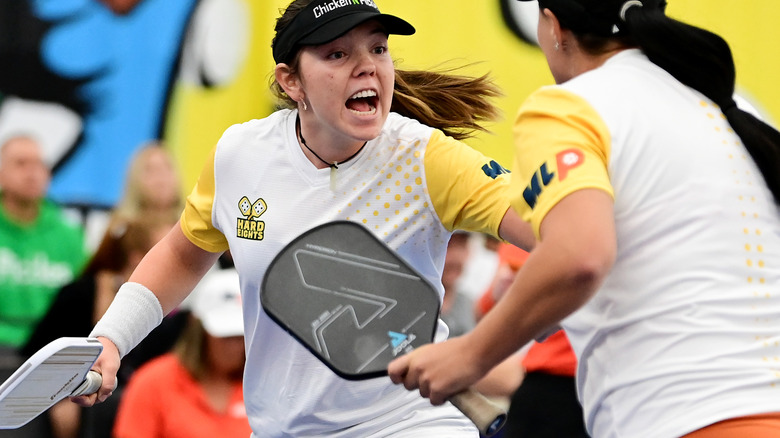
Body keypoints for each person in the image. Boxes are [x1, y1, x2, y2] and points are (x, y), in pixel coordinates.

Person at [74, 1, 534, 437]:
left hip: (410, 422)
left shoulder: (426, 158)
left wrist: (481, 348)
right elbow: (181, 253)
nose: (367, 66)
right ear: (291, 82)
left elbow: (555, 236)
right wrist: (111, 338)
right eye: (336, 53)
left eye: (378, 48)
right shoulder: (241, 154)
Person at [388, 1, 780, 437]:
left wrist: (469, 356)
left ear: (553, 27)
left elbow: (579, 256)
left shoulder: (569, 107)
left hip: (684, 418)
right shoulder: (730, 104)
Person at [112, 268, 250, 438]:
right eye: (225, 336)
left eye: (241, 337)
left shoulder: (262, 384)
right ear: (199, 331)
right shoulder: (153, 382)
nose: (235, 347)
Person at [0, 135, 87, 350]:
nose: (32, 173)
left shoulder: (69, 234)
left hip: (52, 348)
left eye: (39, 164)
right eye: (21, 164)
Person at [441, 231, 477, 338]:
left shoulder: (468, 303)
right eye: (449, 245)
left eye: (461, 245)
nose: (456, 258)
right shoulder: (415, 303)